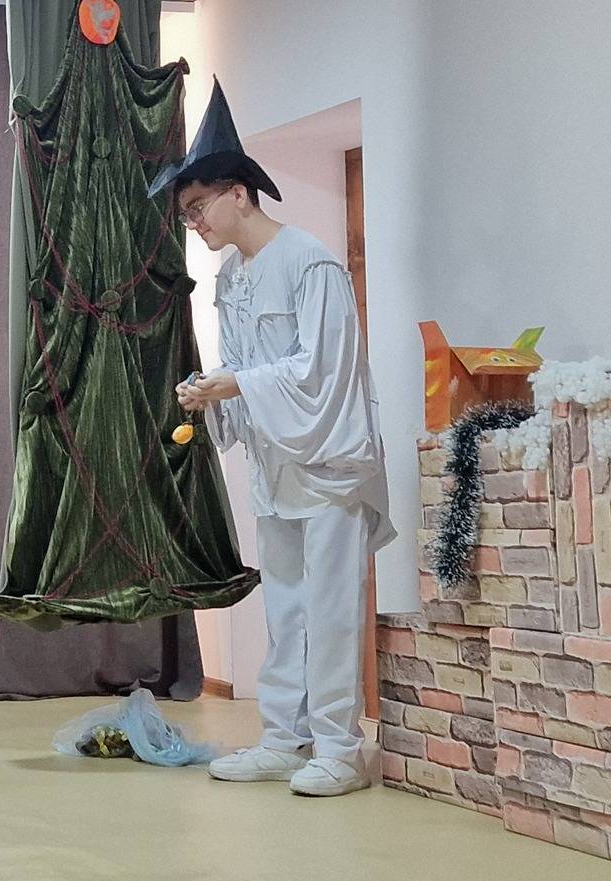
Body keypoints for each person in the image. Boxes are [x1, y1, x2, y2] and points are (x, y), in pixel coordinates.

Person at [158, 81, 394, 798]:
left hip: (329, 464)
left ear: (238, 193)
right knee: (285, 604)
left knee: (331, 607)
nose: (194, 223)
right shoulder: (230, 277)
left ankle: (340, 748)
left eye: (198, 207)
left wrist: (236, 383)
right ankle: (283, 738)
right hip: (276, 464)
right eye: (186, 214)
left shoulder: (310, 262)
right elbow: (244, 366)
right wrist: (213, 390)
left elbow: (324, 369)